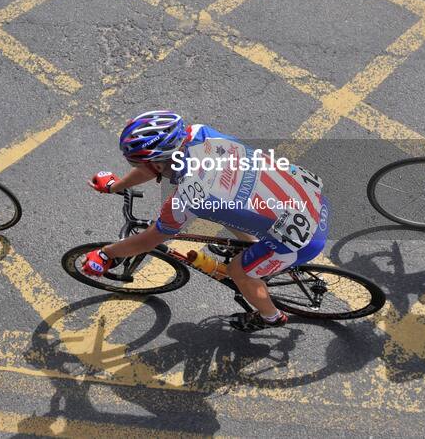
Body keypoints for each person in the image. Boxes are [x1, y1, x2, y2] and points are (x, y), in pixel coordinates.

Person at [86, 111, 329, 332]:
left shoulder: (191, 196)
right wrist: (116, 186)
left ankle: (270, 317)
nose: (136, 167)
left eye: (136, 163)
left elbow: (149, 240)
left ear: (159, 161)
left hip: (305, 240)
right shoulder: (199, 133)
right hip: (310, 198)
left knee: (238, 272)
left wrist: (107, 254)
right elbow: (156, 167)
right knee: (225, 205)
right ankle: (252, 242)